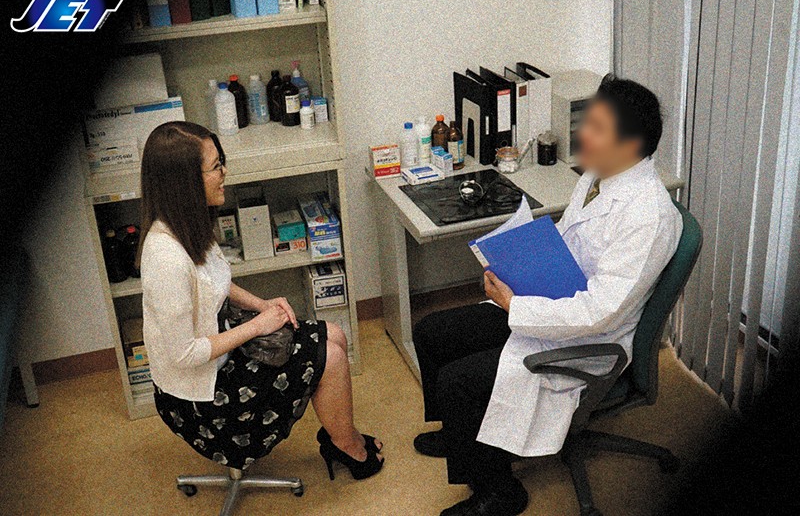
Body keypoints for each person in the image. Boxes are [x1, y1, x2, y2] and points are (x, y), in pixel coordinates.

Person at [412, 75, 682, 515]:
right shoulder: (596, 176)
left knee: (461, 381)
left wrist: (514, 304)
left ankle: (500, 492)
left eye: (597, 128)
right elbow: (569, 239)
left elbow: (600, 312)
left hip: (586, 340)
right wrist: (516, 259)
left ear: (630, 146)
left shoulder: (648, 216)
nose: (582, 134)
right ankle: (460, 433)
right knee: (432, 332)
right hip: (550, 299)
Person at [139, 121, 383, 480]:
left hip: (219, 354)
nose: (225, 173)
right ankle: (348, 445)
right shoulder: (165, 257)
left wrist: (262, 304)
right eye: (216, 167)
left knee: (335, 334)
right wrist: (257, 326)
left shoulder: (187, 224)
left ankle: (338, 438)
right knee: (329, 358)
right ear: (185, 182)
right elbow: (184, 354)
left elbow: (214, 282)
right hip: (201, 397)